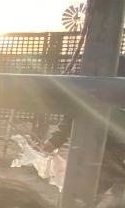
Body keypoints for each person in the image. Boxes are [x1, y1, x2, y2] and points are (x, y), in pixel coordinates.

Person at [41, 54, 125, 197]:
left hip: (111, 145)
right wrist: (57, 139)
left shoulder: (112, 65)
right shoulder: (112, 65)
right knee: (90, 187)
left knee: (100, 186)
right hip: (98, 142)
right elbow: (79, 106)